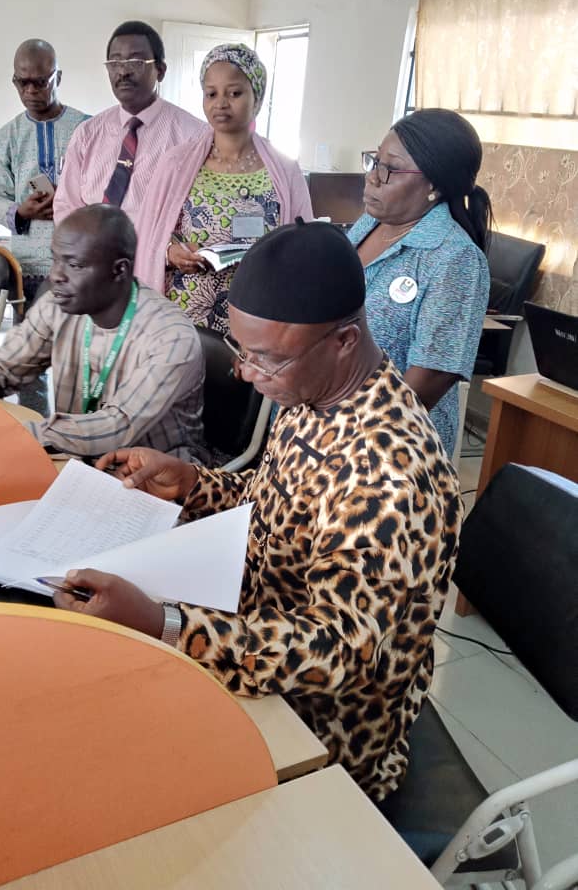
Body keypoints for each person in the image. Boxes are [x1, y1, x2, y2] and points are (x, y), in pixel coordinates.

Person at [48, 221, 462, 802]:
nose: (244, 373)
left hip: (319, 731)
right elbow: (279, 502)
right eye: (242, 352)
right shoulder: (317, 392)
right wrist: (194, 482)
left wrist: (165, 625)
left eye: (264, 359)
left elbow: (340, 654)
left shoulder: (391, 475)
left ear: (343, 341)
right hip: (248, 641)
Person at [0, 206, 206, 461]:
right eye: (55, 259)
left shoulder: (170, 337)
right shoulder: (58, 305)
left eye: (74, 264)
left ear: (120, 270)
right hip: (76, 464)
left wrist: (5, 436)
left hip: (150, 484)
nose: (56, 275)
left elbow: (116, 427)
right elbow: (3, 367)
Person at [135, 43, 312, 334]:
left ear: (257, 97)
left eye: (234, 93)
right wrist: (170, 254)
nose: (221, 103)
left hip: (262, 318)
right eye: (211, 93)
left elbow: (304, 248)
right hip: (186, 319)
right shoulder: (177, 164)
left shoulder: (284, 169)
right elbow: (146, 237)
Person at [347, 109, 491, 455]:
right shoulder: (370, 224)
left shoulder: (454, 259)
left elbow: (427, 382)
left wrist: (347, 438)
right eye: (374, 161)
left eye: (390, 169)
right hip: (326, 423)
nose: (373, 177)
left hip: (386, 447)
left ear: (435, 185)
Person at [52, 21, 204, 228]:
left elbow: (197, 213)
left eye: (136, 62)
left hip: (159, 257)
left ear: (160, 70)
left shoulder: (194, 136)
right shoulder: (87, 133)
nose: (123, 72)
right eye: (115, 63)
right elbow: (66, 206)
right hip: (92, 255)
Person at [0, 39, 89, 308]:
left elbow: (106, 190)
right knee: (30, 342)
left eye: (41, 82)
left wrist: (71, 204)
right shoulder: (6, 137)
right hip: (26, 265)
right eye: (22, 82)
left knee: (78, 344)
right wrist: (20, 212)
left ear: (58, 78)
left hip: (81, 261)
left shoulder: (87, 129)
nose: (30, 91)